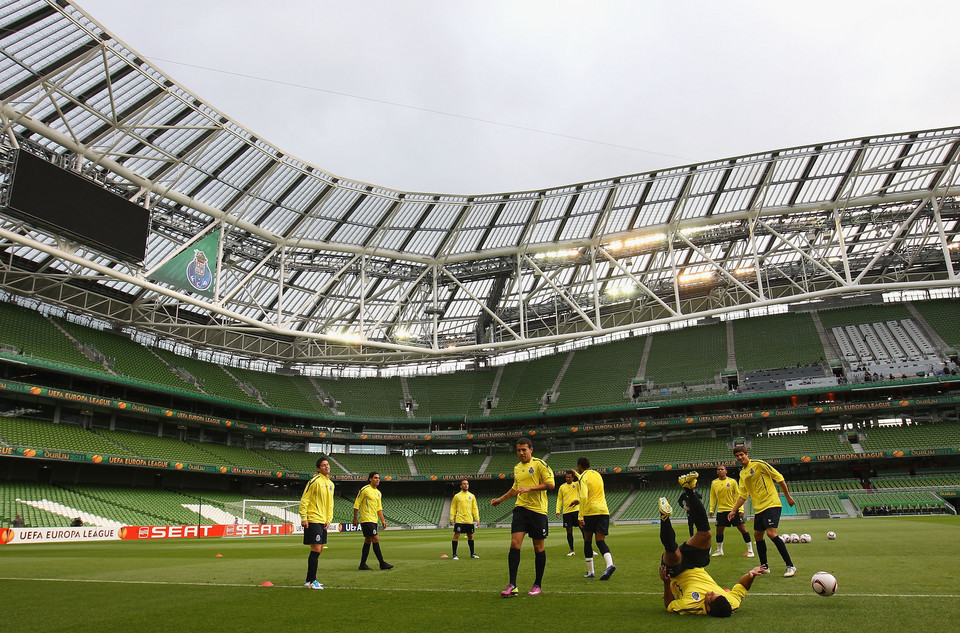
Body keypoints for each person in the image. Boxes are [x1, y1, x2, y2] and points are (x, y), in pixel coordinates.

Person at [659, 471, 766, 616]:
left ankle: (665, 517)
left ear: (708, 608)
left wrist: (666, 583)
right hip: (697, 565)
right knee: (706, 535)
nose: (710, 592)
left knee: (673, 553)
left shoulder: (691, 605)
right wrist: (751, 574)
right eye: (716, 593)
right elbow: (742, 587)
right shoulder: (730, 602)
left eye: (710, 596)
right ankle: (687, 487)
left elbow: (669, 605)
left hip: (677, 573)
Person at [491, 437, 555, 597]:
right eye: (518, 450)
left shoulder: (539, 464)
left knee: (538, 548)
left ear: (531, 450)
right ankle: (512, 585)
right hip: (520, 510)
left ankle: (537, 584)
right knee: (514, 544)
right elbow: (515, 489)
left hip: (538, 511)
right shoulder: (517, 468)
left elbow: (550, 484)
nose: (520, 453)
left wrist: (530, 488)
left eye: (523, 450)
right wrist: (499, 500)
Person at [727, 446, 797, 577]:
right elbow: (743, 495)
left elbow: (779, 477)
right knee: (758, 536)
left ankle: (790, 566)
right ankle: (764, 567)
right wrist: (734, 510)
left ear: (747, 454)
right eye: (737, 456)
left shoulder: (759, 464)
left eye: (741, 454)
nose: (740, 457)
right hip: (759, 508)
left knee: (771, 533)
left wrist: (787, 496)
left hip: (771, 503)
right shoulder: (742, 473)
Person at [575, 457, 616, 580]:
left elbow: (584, 497)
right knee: (600, 540)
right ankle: (610, 564)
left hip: (590, 511)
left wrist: (580, 515)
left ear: (579, 466)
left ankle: (591, 571)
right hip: (603, 511)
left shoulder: (583, 477)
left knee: (587, 540)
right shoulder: (598, 475)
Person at [299, 456, 334, 590]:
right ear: (318, 468)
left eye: (328, 465)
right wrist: (304, 517)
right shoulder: (314, 481)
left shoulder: (331, 484)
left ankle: (309, 580)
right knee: (316, 549)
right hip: (313, 518)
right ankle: (312, 581)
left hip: (323, 521)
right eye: (324, 465)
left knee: (318, 549)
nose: (327, 467)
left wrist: (328, 519)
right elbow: (304, 500)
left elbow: (330, 504)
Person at [708, 465, 753, 558]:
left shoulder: (732, 482)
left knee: (743, 529)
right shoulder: (714, 483)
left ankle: (750, 550)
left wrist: (740, 509)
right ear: (717, 472)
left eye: (722, 469)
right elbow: (713, 497)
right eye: (718, 470)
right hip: (721, 511)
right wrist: (711, 509)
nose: (720, 471)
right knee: (719, 531)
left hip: (733, 510)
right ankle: (720, 550)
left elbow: (738, 495)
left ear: (726, 471)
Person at [353, 471, 393, 570]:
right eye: (375, 478)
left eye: (378, 478)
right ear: (370, 479)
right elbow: (357, 503)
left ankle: (362, 564)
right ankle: (382, 563)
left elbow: (379, 508)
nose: (377, 479)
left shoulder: (378, 493)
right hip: (366, 519)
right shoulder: (365, 490)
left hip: (374, 520)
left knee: (368, 540)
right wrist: (355, 518)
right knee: (375, 539)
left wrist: (383, 520)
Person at [450, 479, 480, 560]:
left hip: (469, 520)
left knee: (470, 536)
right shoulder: (457, 496)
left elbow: (475, 508)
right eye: (464, 484)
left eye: (467, 484)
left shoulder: (472, 496)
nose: (466, 485)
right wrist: (452, 517)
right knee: (456, 535)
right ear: (461, 486)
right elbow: (453, 507)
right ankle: (454, 554)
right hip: (460, 519)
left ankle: (472, 553)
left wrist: (477, 518)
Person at [555, 470, 581, 556]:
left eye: (569, 477)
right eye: (566, 477)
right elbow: (559, 499)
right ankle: (571, 550)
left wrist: (576, 472)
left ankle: (589, 548)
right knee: (569, 531)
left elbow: (582, 479)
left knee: (584, 529)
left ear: (573, 477)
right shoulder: (562, 487)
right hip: (566, 512)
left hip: (577, 510)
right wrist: (558, 510)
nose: (568, 478)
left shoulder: (576, 484)